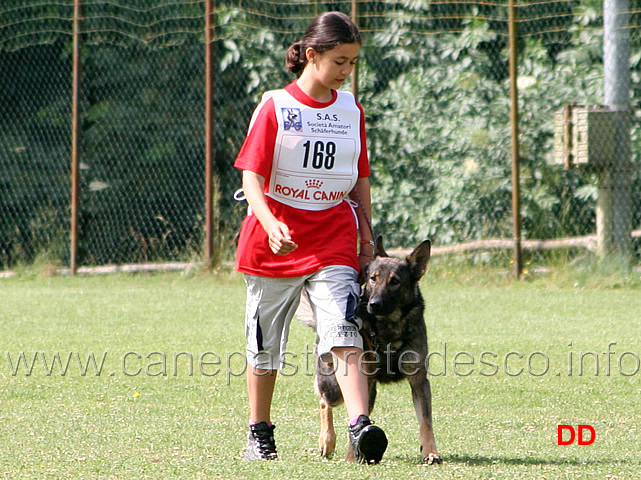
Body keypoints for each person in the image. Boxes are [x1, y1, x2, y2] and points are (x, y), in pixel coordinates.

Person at [234, 11, 387, 464]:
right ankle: (259, 434)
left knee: (344, 329)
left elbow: (360, 179)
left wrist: (366, 239)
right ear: (312, 54)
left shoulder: (350, 109)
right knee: (265, 346)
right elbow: (252, 176)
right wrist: (269, 222)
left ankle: (360, 426)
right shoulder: (276, 105)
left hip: (333, 236)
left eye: (353, 62)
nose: (346, 71)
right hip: (275, 241)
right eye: (340, 60)